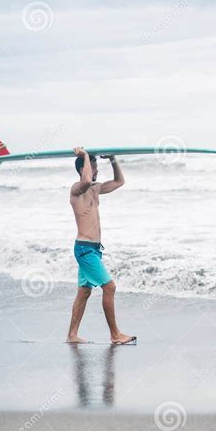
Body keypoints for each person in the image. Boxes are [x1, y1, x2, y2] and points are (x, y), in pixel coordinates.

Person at [67, 147, 136, 345]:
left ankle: (72, 335)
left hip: (94, 250)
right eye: (93, 168)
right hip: (84, 249)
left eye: (97, 167)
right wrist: (85, 156)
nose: (96, 172)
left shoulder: (96, 189)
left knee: (84, 291)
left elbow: (119, 182)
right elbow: (86, 180)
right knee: (110, 287)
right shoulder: (76, 189)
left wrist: (113, 159)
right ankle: (115, 335)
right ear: (83, 169)